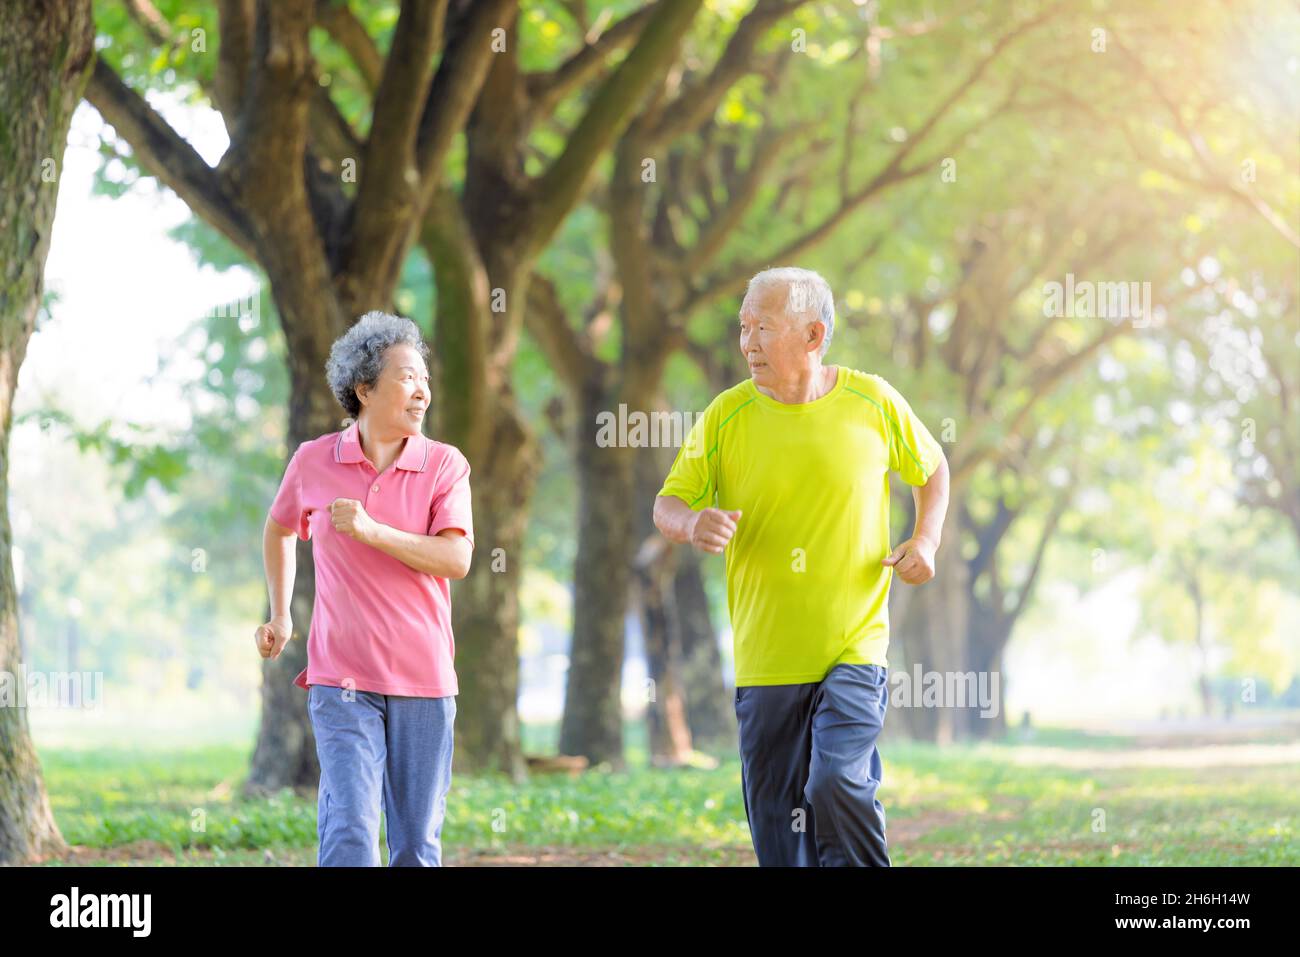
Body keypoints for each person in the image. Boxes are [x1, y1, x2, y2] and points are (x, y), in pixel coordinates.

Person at [653, 266, 950, 866]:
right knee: (778, 834)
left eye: (764, 327)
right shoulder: (725, 415)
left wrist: (927, 540)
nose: (748, 343)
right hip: (766, 660)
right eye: (743, 327)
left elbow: (933, 468)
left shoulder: (873, 401)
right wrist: (691, 523)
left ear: (813, 336)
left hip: (854, 648)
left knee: (837, 782)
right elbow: (668, 502)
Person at [254, 310, 474, 866]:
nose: (422, 390)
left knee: (416, 845)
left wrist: (373, 531)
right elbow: (280, 528)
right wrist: (281, 614)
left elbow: (457, 557)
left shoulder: (444, 465)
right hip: (341, 679)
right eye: (406, 376)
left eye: (425, 378)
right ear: (364, 388)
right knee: (350, 829)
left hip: (424, 680)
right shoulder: (314, 461)